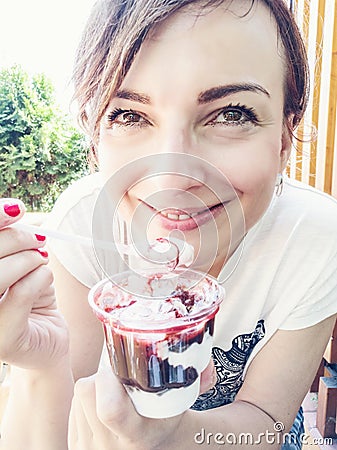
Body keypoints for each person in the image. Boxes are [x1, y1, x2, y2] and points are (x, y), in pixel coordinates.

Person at [1, 0, 337, 448]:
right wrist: (40, 364)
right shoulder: (82, 222)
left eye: (232, 113)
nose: (172, 177)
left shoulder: (315, 238)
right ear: (96, 137)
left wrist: (177, 438)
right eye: (129, 115)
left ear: (283, 139)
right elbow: (64, 426)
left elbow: (269, 421)